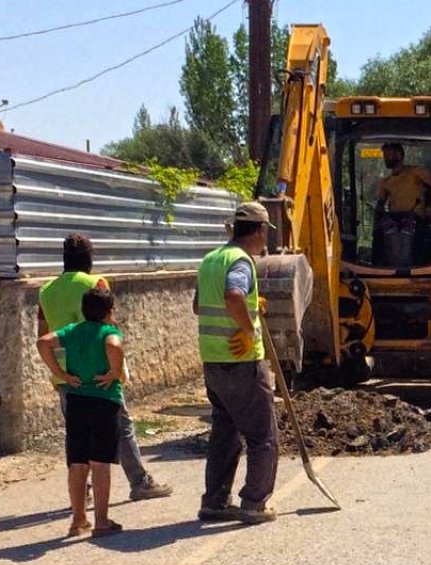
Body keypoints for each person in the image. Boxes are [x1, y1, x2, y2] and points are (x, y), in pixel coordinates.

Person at [37, 234, 172, 501]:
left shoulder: (46, 291)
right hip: (100, 371)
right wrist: (118, 366)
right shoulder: (96, 283)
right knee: (121, 425)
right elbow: (108, 324)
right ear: (89, 259)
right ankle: (140, 481)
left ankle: (82, 491)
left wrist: (58, 372)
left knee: (76, 431)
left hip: (67, 374)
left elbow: (42, 333)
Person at [193, 202, 279, 525]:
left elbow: (200, 306)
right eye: (264, 233)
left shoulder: (211, 259)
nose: (265, 241)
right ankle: (254, 503)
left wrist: (252, 306)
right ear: (258, 231)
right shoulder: (241, 261)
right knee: (263, 436)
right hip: (241, 361)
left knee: (225, 433)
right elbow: (232, 296)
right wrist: (248, 326)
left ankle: (215, 502)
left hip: (213, 362)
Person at [36, 288, 127, 538]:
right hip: (104, 401)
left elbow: (43, 342)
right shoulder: (108, 332)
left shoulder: (73, 330)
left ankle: (78, 520)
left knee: (77, 462)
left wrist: (61, 373)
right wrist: (114, 372)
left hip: (76, 399)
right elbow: (115, 346)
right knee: (100, 463)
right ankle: (101, 521)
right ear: (109, 312)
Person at [374, 142, 431, 266]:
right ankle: (378, 265)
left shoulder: (416, 172)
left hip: (415, 218)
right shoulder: (386, 182)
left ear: (399, 155)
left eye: (388, 154)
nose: (385, 158)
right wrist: (379, 210)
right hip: (394, 220)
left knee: (417, 242)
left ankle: (419, 266)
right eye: (384, 155)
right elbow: (381, 203)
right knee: (379, 233)